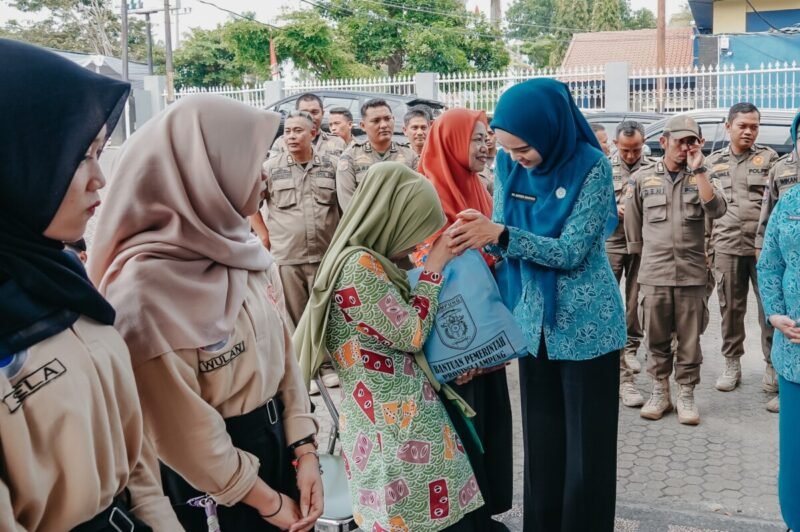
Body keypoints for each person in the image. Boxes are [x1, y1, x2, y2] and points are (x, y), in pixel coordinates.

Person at [88, 95, 322, 532]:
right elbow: (185, 434)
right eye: (250, 160)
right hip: (215, 486)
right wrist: (268, 502)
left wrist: (304, 448)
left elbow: (284, 357)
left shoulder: (242, 251)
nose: (264, 174)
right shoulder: (144, 295)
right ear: (204, 171)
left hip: (276, 449)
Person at [0, 38, 181, 531]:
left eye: (100, 153)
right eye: (80, 155)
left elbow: (138, 464)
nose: (99, 178)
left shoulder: (62, 276)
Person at [448, 79, 626, 532]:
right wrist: (484, 235)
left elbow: (570, 252)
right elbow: (502, 232)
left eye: (523, 148)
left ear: (549, 131)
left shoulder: (592, 167)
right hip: (534, 325)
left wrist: (502, 236)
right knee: (543, 447)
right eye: (506, 149)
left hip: (586, 327)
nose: (514, 157)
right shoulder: (509, 167)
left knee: (587, 452)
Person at [294, 161, 485, 531]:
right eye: (415, 229)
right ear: (392, 217)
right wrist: (434, 267)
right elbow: (410, 333)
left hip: (395, 424)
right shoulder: (358, 267)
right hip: (395, 432)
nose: (416, 243)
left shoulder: (366, 261)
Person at [416, 107, 512, 530]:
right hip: (455, 353)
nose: (486, 144)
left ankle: (484, 515)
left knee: (489, 432)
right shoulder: (426, 196)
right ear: (452, 142)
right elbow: (424, 274)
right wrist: (459, 349)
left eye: (487, 136)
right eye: (476, 138)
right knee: (461, 438)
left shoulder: (479, 187)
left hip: (485, 345)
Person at [625, 115, 727, 425]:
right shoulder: (642, 179)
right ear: (664, 141)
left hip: (692, 274)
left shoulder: (705, 175)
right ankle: (660, 391)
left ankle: (686, 393)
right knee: (655, 338)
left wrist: (698, 169)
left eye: (691, 141)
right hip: (654, 274)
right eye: (680, 141)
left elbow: (717, 209)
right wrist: (642, 266)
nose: (685, 147)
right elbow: (633, 225)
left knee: (689, 339)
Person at [249, 110, 342, 393]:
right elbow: (250, 202)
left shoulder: (332, 166)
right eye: (287, 131)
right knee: (296, 315)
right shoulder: (271, 167)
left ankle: (328, 367)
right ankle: (307, 370)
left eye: (297, 130)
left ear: (313, 133)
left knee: (326, 313)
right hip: (288, 255)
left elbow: (344, 205)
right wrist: (264, 236)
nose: (290, 136)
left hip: (326, 254)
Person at [705, 103, 779, 403]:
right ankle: (732, 363)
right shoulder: (713, 163)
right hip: (726, 247)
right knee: (730, 310)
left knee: (769, 310)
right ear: (728, 126)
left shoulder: (770, 159)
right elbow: (707, 211)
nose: (749, 131)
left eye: (754, 126)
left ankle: (772, 365)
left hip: (764, 252)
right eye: (743, 126)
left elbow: (775, 203)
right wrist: (708, 249)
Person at [756, 173, 800, 532]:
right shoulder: (789, 202)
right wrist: (774, 313)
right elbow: (770, 264)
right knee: (795, 457)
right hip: (794, 356)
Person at [607, 120, 654, 407]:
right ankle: (617, 356)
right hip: (611, 240)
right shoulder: (602, 167)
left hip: (643, 241)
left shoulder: (652, 168)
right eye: (625, 150)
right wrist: (614, 208)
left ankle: (631, 348)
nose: (630, 156)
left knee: (636, 300)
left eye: (635, 149)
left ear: (644, 142)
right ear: (615, 145)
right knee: (611, 299)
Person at [336, 99, 419, 211]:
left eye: (387, 119)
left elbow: (418, 196)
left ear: (393, 119)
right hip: (366, 226)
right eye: (376, 121)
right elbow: (348, 205)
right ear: (363, 126)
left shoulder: (410, 155)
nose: (384, 125)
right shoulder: (350, 157)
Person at [271, 93, 346, 158]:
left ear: (322, 114)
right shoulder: (281, 143)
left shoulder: (338, 142)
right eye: (304, 113)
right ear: (297, 114)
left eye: (315, 112)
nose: (311, 117)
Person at [479, 126, 498, 195]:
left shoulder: (505, 159)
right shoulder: (474, 162)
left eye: (491, 133)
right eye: (483, 135)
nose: (487, 138)